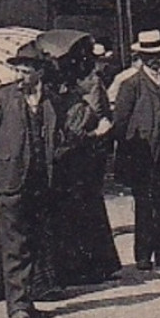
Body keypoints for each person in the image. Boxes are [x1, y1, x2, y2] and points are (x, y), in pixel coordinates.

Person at [0, 40, 62, 318]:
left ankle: (27, 300)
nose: (20, 76)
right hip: (11, 180)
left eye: (27, 71)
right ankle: (17, 307)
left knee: (33, 241)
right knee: (15, 242)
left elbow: (57, 138)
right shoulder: (0, 99)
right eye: (18, 70)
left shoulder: (49, 100)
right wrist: (0, 167)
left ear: (39, 73)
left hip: (40, 180)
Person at [111, 30, 160, 271]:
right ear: (141, 56)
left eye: (158, 54)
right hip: (142, 154)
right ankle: (143, 255)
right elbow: (120, 123)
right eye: (149, 55)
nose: (155, 59)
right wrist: (125, 156)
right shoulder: (131, 85)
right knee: (145, 205)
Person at [47, 59, 123, 287]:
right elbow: (74, 139)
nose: (94, 81)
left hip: (71, 171)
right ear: (78, 80)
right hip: (78, 169)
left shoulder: (63, 100)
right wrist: (99, 133)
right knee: (82, 217)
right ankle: (83, 269)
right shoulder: (77, 105)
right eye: (90, 77)